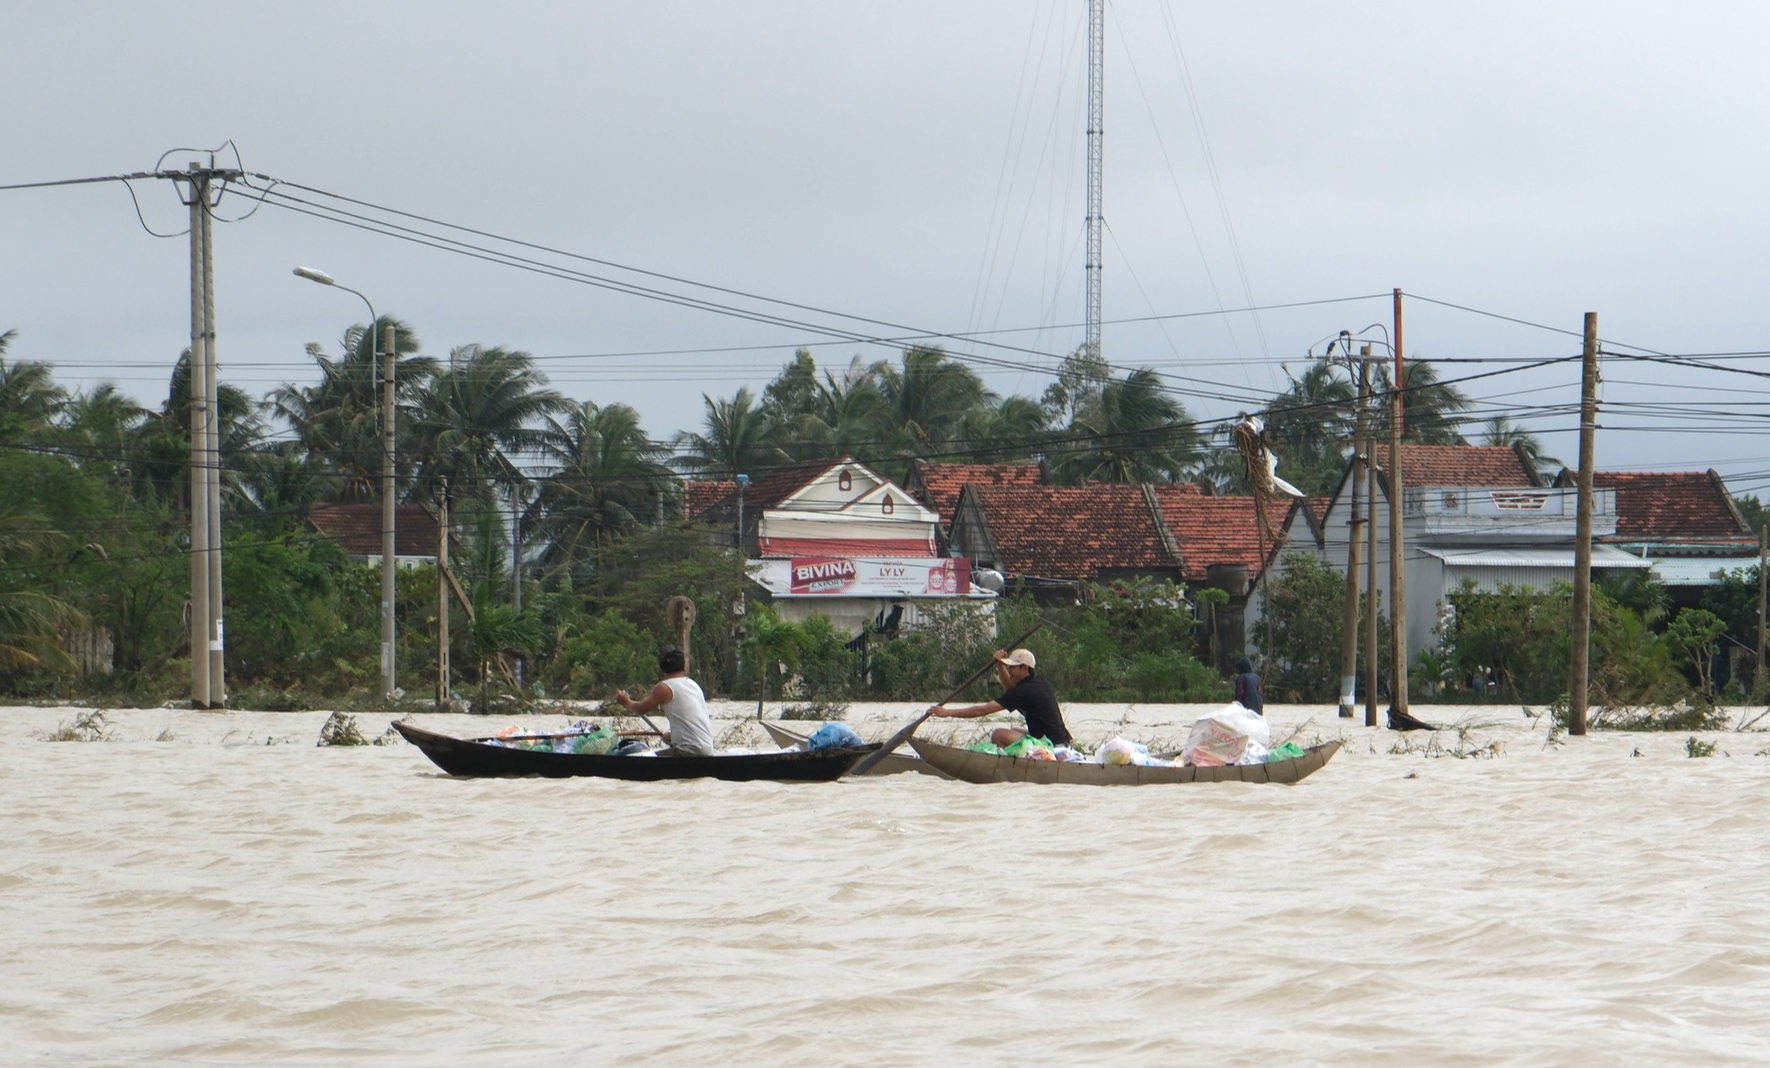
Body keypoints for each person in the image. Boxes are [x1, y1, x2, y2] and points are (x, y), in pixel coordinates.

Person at [928, 648, 1071, 748]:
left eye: (1013, 668)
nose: (1009, 671)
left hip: (1051, 745)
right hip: (1059, 739)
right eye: (1008, 667)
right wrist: (999, 665)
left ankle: (1015, 767)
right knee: (1015, 729)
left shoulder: (1024, 691)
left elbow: (983, 710)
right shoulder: (1040, 682)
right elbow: (1010, 689)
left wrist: (948, 713)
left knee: (998, 735)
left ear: (1025, 669)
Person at [613, 647, 715, 756]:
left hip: (688, 751)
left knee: (640, 759)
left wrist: (626, 701)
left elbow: (640, 709)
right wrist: (673, 736)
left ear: (662, 669)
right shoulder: (693, 685)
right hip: (707, 750)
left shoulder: (664, 687)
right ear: (684, 667)